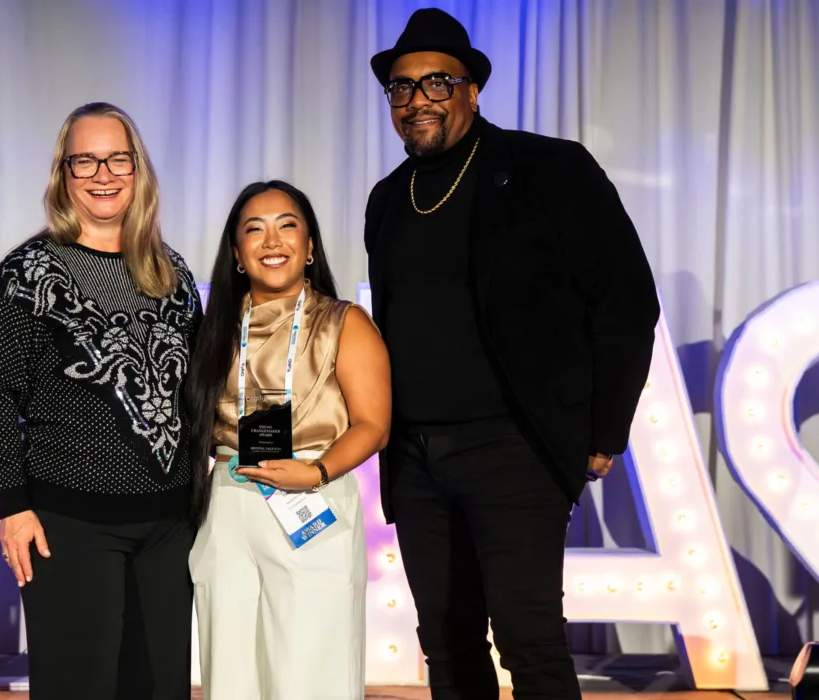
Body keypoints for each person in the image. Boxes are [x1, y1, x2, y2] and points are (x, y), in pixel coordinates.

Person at [365, 9, 660, 700]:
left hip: (515, 447)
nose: (417, 101)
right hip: (415, 457)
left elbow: (624, 301)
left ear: (473, 90)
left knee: (529, 638)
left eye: (436, 83)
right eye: (402, 89)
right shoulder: (387, 200)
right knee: (444, 641)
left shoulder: (547, 168)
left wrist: (603, 429)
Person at [0, 102, 203, 700]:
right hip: (68, 527)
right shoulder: (28, 274)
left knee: (159, 687)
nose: (103, 173)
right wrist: (12, 505)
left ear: (138, 168)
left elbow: (195, 388)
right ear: (63, 174)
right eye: (85, 160)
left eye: (117, 158)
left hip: (169, 527)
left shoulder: (171, 271)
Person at [186, 181, 391, 699]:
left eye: (287, 225)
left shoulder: (343, 322)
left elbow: (373, 424)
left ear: (311, 245)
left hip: (311, 498)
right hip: (230, 503)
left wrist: (316, 471)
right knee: (231, 672)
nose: (271, 240)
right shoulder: (212, 330)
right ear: (236, 252)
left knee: (309, 673)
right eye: (254, 229)